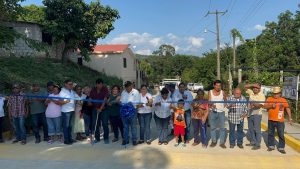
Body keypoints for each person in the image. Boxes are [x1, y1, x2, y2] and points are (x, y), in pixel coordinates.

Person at [263, 87, 293, 154]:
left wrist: (290, 118)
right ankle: (271, 146)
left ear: (280, 93)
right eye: (274, 93)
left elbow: (287, 109)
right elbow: (264, 107)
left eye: (277, 93)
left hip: (280, 121)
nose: (275, 95)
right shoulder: (269, 99)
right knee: (270, 133)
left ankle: (281, 147)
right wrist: (271, 106)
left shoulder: (283, 100)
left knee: (281, 134)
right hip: (271, 120)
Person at [244, 82, 265, 150]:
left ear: (260, 88)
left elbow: (260, 105)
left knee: (257, 130)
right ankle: (253, 141)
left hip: (257, 114)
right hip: (250, 113)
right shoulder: (251, 93)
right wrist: (252, 84)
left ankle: (258, 144)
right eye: (254, 87)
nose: (255, 89)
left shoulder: (261, 95)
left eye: (257, 87)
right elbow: (245, 86)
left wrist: (253, 104)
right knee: (251, 129)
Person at [89, 79, 110, 144]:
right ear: (96, 84)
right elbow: (90, 97)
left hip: (103, 109)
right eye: (98, 84)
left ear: (102, 84)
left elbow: (105, 99)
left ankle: (106, 138)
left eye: (100, 84)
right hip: (95, 109)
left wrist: (100, 109)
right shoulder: (93, 90)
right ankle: (97, 138)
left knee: (105, 124)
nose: (99, 85)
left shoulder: (105, 90)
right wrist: (89, 102)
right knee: (95, 124)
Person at [120, 81, 141, 146]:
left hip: (132, 111)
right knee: (125, 126)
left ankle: (134, 140)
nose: (126, 88)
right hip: (124, 111)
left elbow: (138, 101)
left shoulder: (136, 92)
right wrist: (123, 103)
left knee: (133, 126)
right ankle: (126, 140)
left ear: (131, 86)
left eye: (127, 86)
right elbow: (121, 101)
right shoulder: (123, 92)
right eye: (125, 86)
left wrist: (131, 102)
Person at [208, 80, 227, 149]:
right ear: (214, 85)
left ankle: (222, 143)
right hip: (212, 112)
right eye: (217, 85)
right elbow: (209, 102)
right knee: (212, 128)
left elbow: (225, 100)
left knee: (222, 128)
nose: (218, 87)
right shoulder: (210, 92)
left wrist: (223, 106)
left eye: (220, 86)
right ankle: (213, 141)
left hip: (221, 112)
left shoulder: (223, 92)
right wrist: (211, 105)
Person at [59, 79, 76, 145]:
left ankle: (70, 138)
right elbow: (60, 101)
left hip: (72, 110)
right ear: (65, 84)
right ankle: (66, 139)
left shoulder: (71, 91)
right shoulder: (62, 92)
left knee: (70, 126)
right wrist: (66, 101)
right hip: (66, 111)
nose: (71, 85)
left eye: (71, 84)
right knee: (66, 126)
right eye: (69, 84)